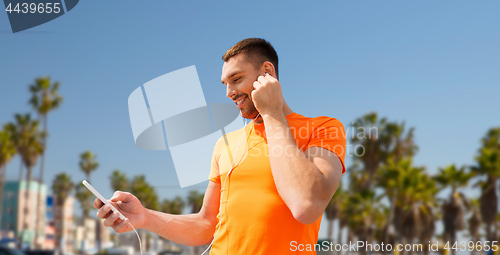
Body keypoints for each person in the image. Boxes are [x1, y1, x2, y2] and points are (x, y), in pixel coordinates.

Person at [94, 38, 346, 254]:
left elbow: (306, 206)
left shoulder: (323, 127)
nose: (229, 92)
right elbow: (206, 225)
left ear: (267, 73)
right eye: (225, 84)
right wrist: (145, 217)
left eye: (236, 79)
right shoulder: (226, 144)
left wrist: (272, 114)